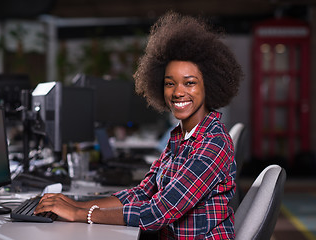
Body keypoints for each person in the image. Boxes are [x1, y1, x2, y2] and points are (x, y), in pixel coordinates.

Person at [34, 11, 243, 239]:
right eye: (169, 83)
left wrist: (80, 214)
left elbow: (158, 212)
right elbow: (143, 192)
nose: (178, 92)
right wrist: (79, 205)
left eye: (190, 83)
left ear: (210, 85)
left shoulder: (214, 143)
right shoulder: (180, 137)